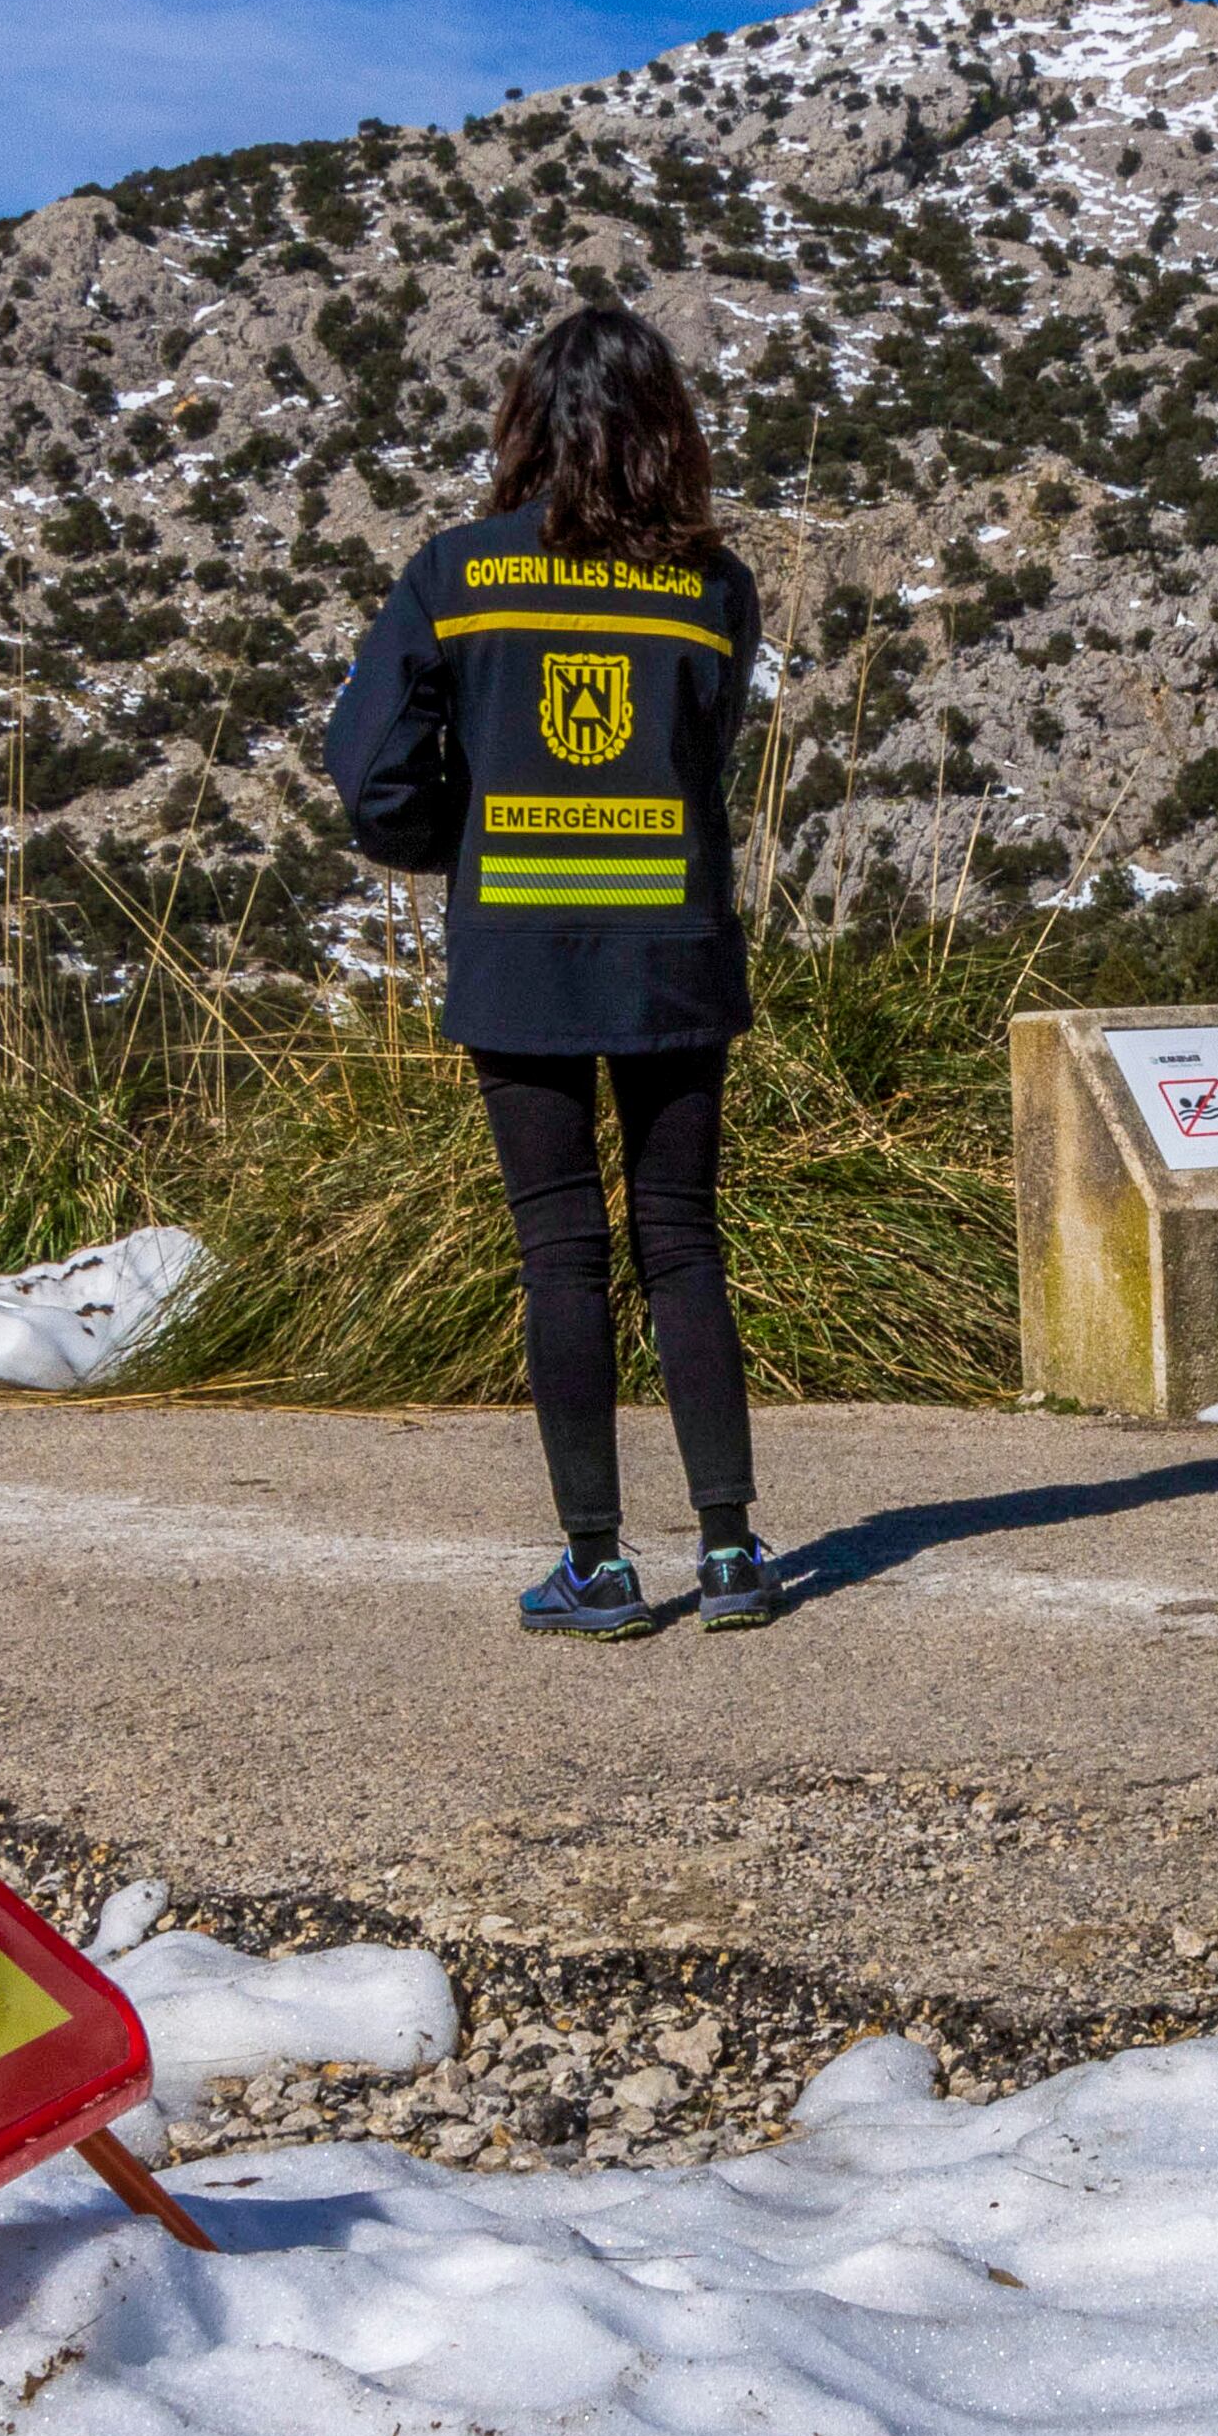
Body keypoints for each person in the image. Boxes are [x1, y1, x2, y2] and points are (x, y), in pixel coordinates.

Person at [325, 306, 780, 1636]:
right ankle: (735, 1551)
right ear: (667, 434)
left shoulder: (455, 575)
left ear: (526, 422)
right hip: (673, 950)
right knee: (685, 1241)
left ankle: (598, 1562)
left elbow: (372, 773)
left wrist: (453, 839)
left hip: (519, 948)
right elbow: (708, 758)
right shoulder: (716, 590)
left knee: (561, 1251)